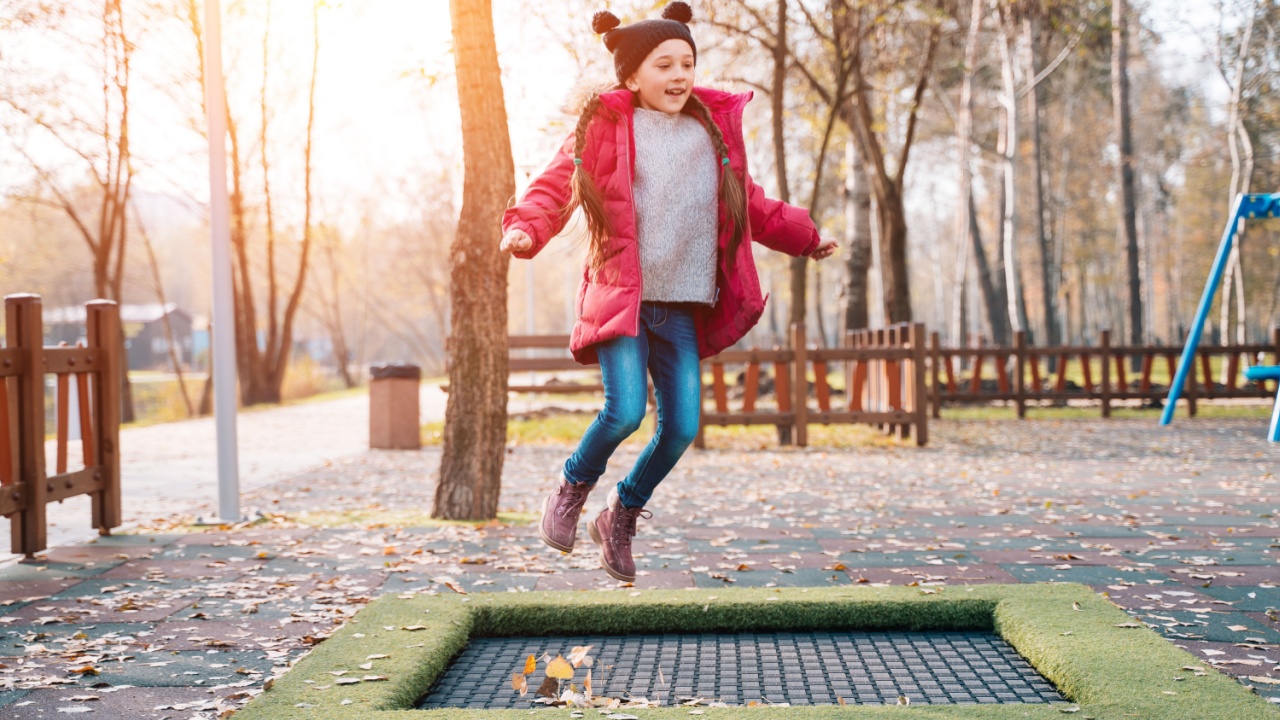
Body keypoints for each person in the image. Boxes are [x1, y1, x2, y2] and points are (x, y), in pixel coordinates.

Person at [499, 1, 837, 583]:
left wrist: (805, 236)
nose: (679, 75)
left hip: (680, 302)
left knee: (681, 426)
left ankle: (621, 512)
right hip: (623, 295)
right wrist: (526, 227)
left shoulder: (712, 132)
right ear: (631, 76)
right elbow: (557, 184)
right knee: (625, 410)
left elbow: (750, 203)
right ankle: (571, 487)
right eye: (663, 65)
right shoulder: (603, 125)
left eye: (686, 62)